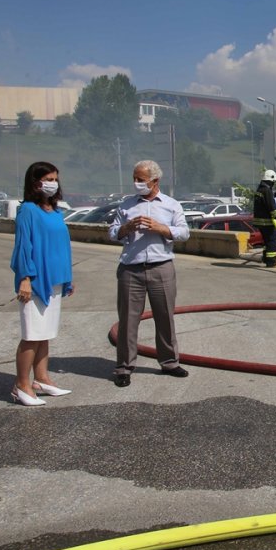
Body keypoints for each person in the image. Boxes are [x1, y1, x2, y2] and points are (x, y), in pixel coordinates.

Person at [108, 160, 191, 387]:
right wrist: (126, 228)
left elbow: (184, 233)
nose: (136, 183)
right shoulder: (126, 205)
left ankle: (169, 362)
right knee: (128, 320)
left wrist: (161, 229)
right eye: (134, 178)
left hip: (161, 266)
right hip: (130, 268)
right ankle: (124, 367)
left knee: (165, 316)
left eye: (140, 179)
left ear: (155, 181)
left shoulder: (171, 205)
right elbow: (113, 232)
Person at [9, 161, 75, 406]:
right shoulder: (28, 210)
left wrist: (68, 279)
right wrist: (25, 279)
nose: (52, 183)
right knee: (32, 334)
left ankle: (42, 378)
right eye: (48, 178)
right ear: (35, 182)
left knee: (45, 333)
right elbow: (23, 246)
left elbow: (62, 246)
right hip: (36, 280)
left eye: (55, 178)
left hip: (56, 279)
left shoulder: (56, 211)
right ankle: (21, 385)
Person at [253, 169, 276, 267]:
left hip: (259, 221)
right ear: (271, 180)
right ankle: (271, 262)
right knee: (272, 240)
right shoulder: (267, 191)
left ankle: (266, 258)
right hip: (267, 222)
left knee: (266, 241)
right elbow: (271, 205)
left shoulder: (259, 190)